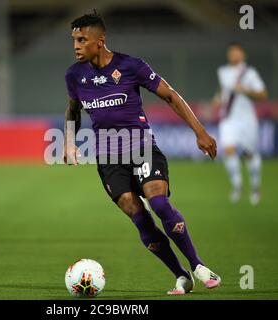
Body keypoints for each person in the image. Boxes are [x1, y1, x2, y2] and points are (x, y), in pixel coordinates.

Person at [63, 11, 221, 295]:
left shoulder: (130, 66)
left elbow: (170, 95)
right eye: (74, 39)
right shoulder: (74, 75)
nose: (76, 45)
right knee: (139, 216)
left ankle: (197, 264)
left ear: (99, 41)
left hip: (142, 147)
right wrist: (69, 142)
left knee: (159, 204)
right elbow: (73, 110)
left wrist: (200, 131)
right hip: (109, 159)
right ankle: (181, 275)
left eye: (82, 39)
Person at [212, 43, 268, 205]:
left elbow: (263, 94)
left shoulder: (249, 73)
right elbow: (223, 91)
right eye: (232, 52)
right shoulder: (223, 72)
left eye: (237, 52)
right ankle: (237, 186)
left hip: (247, 119)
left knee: (250, 153)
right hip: (228, 119)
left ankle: (256, 187)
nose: (234, 55)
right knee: (229, 150)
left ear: (243, 55)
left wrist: (244, 89)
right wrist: (216, 100)